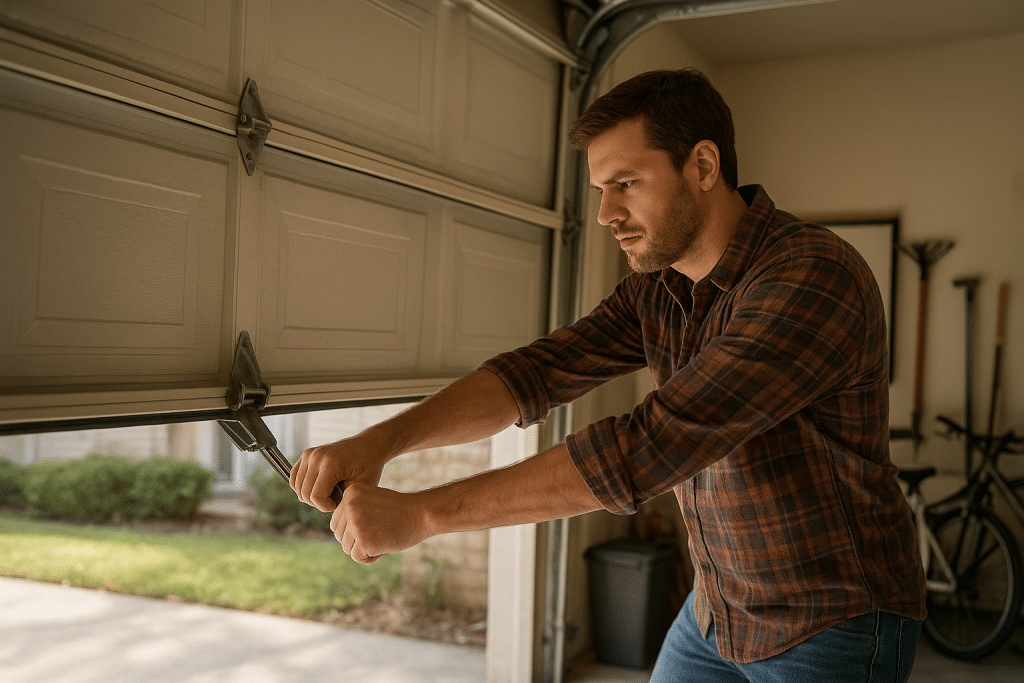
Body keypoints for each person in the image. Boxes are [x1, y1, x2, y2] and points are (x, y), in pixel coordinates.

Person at [290, 68, 926, 682]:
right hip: (717, 606)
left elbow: (649, 449)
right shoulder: (659, 289)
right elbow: (535, 375)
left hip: (834, 619)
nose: (605, 214)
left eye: (626, 182)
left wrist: (425, 515)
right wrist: (378, 443)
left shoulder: (811, 276)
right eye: (601, 189)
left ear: (703, 166)